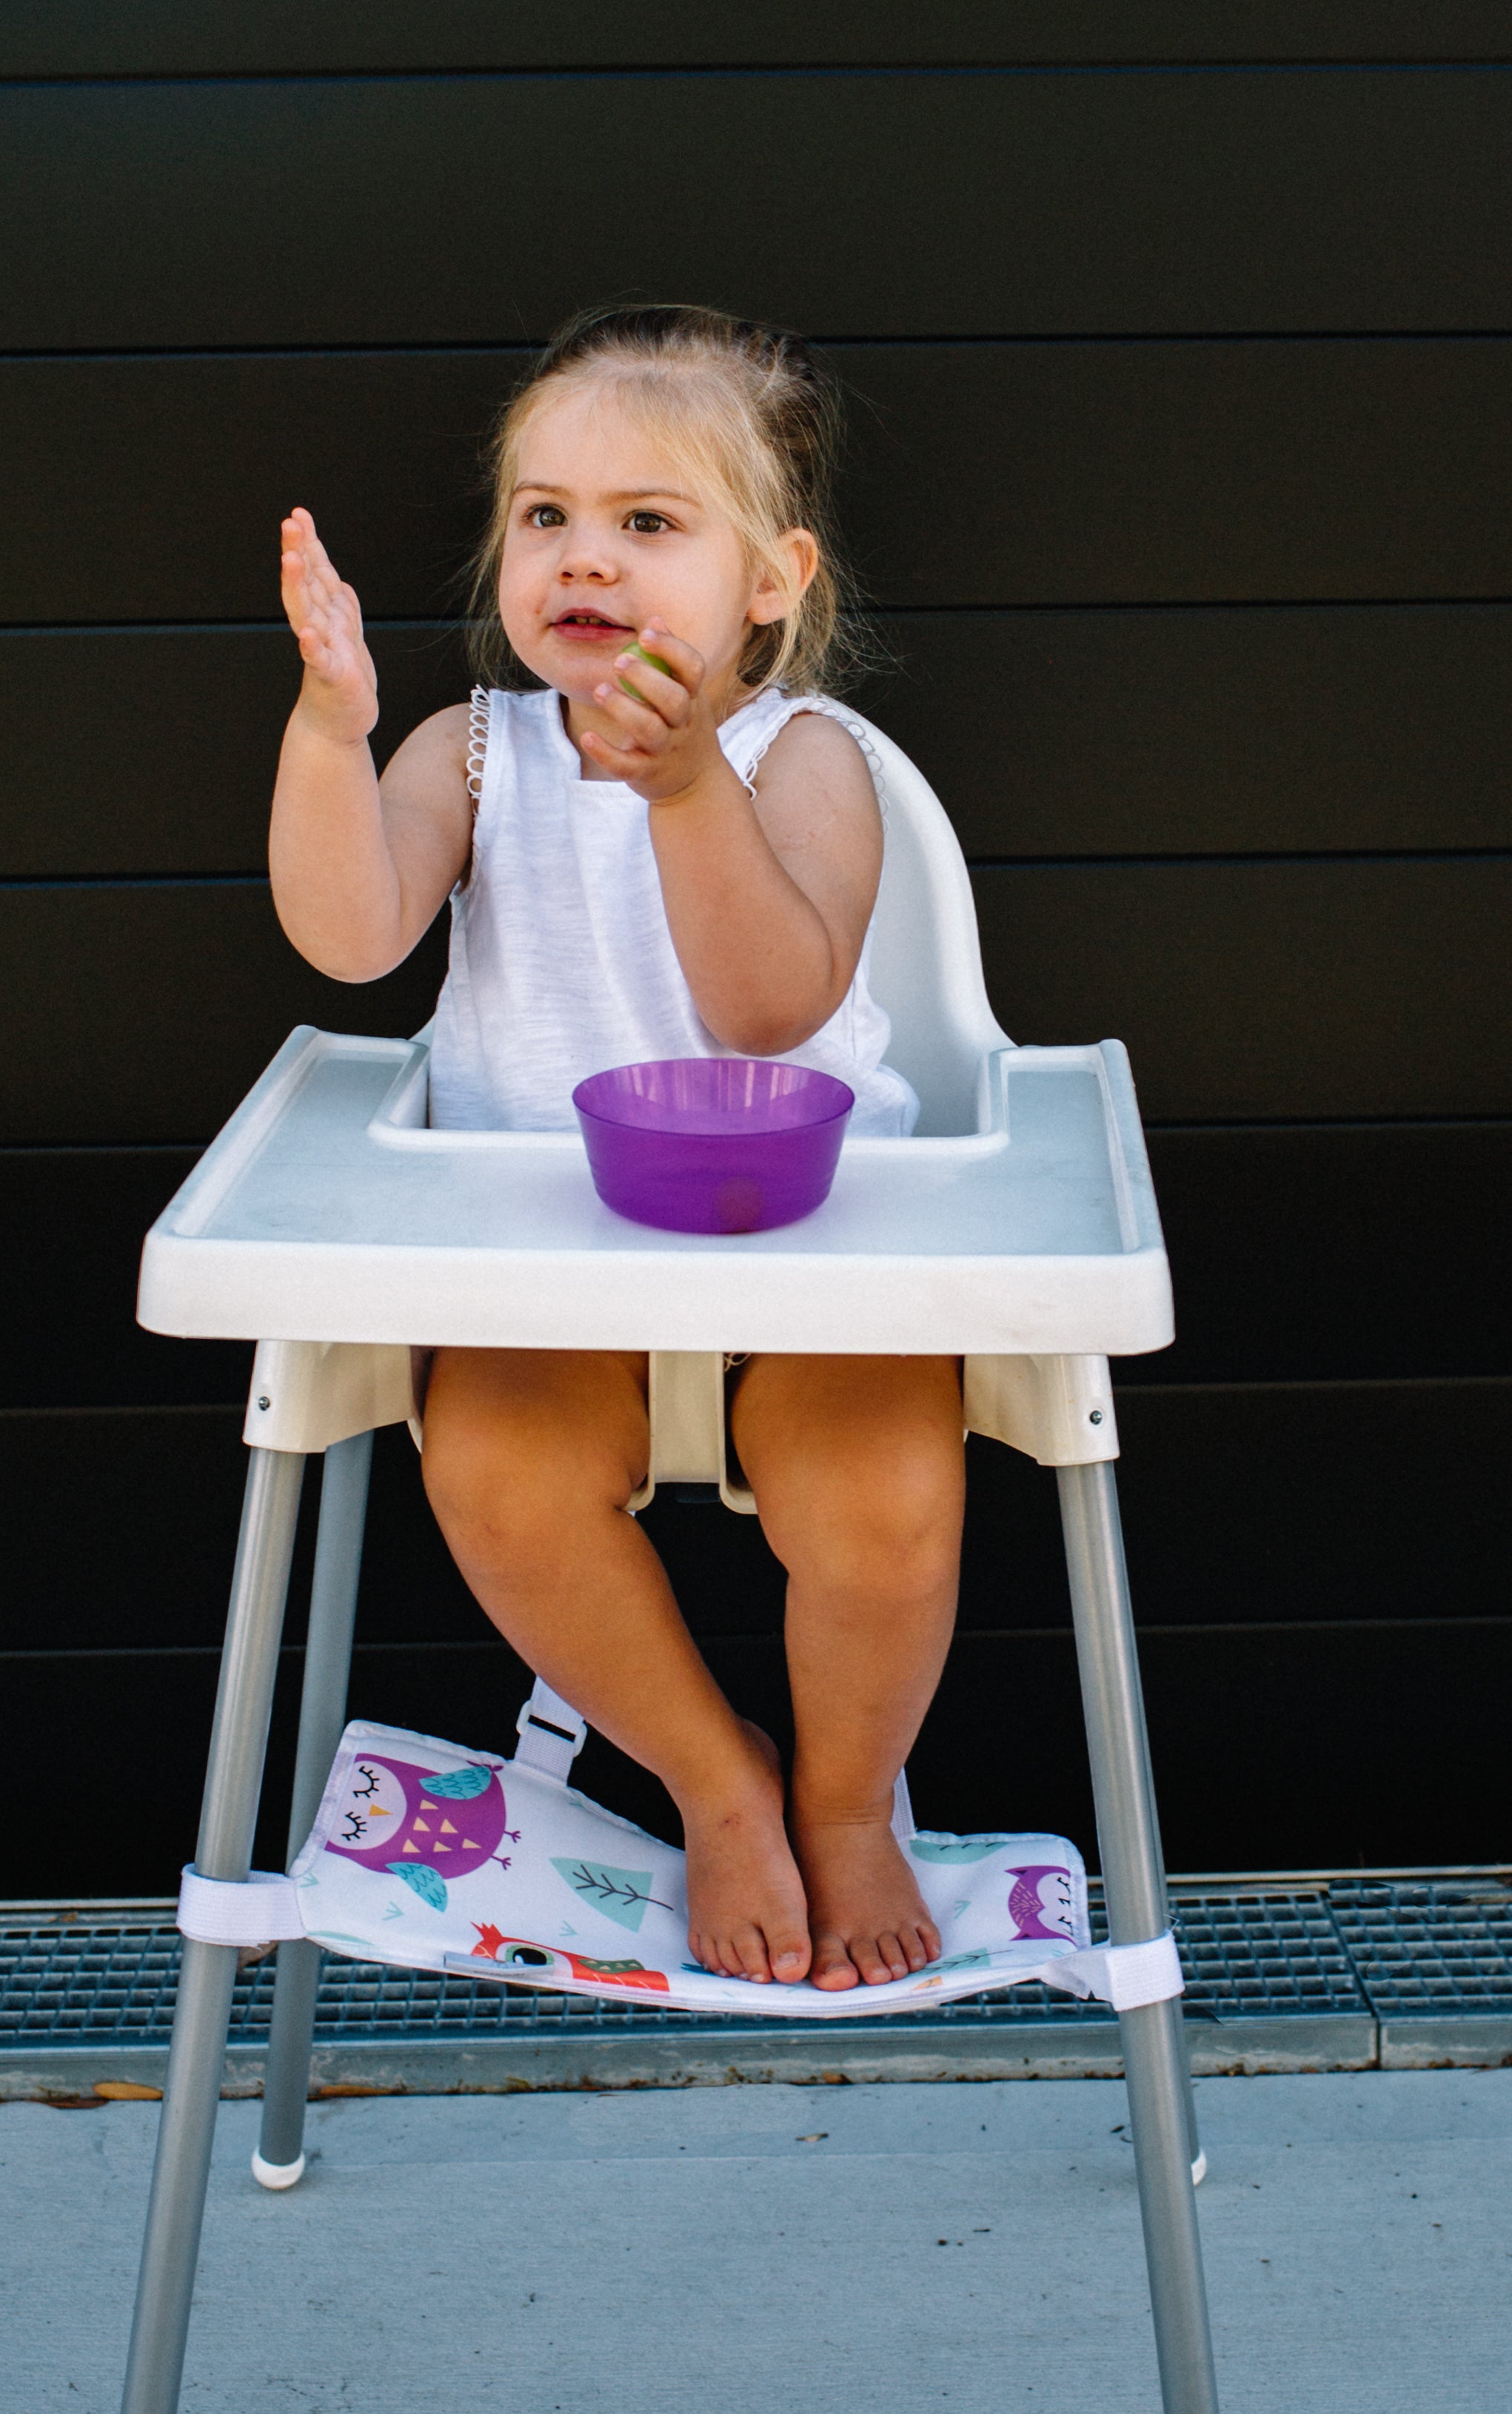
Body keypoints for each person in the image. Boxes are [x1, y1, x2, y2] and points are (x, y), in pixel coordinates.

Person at [268, 304, 965, 1991]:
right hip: (540, 1240)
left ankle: (850, 1800)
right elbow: (348, 937)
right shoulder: (478, 750)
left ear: (769, 581)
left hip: (811, 1234)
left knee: (881, 1497)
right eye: (545, 514)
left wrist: (680, 798)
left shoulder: (805, 763)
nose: (585, 555)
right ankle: (715, 1780)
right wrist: (330, 728)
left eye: (649, 523)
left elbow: (769, 1010)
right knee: (494, 1482)